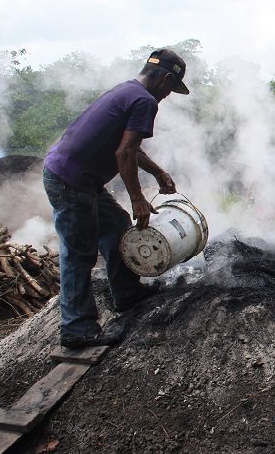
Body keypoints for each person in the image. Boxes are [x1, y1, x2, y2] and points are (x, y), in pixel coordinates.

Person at [42, 49, 190, 348]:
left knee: (116, 224)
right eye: (171, 89)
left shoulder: (127, 90)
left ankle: (126, 293)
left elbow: (130, 148)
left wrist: (159, 172)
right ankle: (77, 328)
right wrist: (138, 198)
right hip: (71, 180)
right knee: (79, 252)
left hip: (81, 178)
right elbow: (124, 153)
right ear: (164, 79)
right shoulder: (145, 101)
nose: (168, 95)